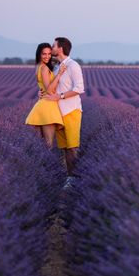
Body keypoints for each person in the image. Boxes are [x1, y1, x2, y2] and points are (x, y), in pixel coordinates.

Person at [42, 37, 85, 186]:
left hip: (72, 111)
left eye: (54, 46)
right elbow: (52, 88)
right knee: (65, 148)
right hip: (59, 112)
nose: (51, 48)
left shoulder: (73, 66)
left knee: (73, 147)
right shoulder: (56, 68)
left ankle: (77, 179)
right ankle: (70, 178)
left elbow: (79, 88)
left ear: (60, 48)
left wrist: (59, 96)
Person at [25, 43, 67, 148]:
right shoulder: (44, 68)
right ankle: (45, 164)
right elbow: (48, 90)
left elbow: (43, 87)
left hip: (42, 104)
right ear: (39, 54)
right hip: (48, 106)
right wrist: (60, 74)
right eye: (44, 54)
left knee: (42, 145)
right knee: (49, 144)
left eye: (49, 54)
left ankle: (40, 163)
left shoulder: (39, 66)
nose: (47, 56)